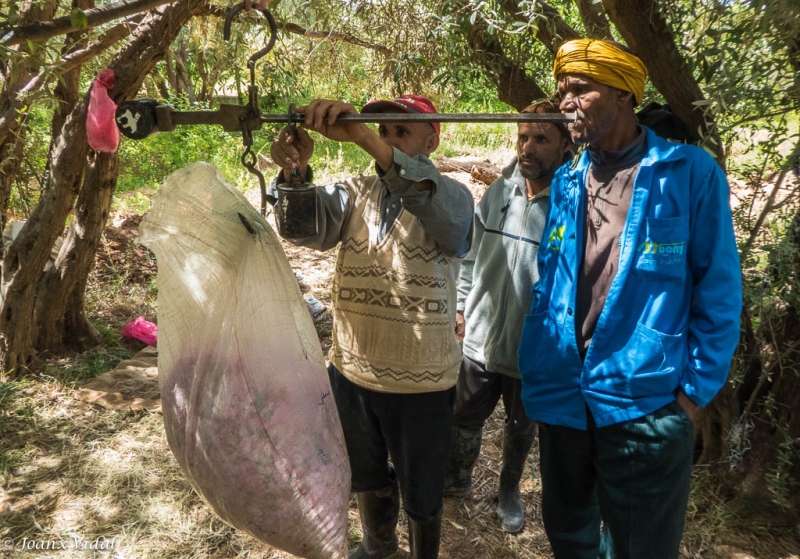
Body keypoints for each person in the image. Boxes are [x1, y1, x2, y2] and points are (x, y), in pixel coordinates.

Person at [517, 39, 742, 558]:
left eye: (580, 89)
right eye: (561, 91)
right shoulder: (570, 177)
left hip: (647, 402)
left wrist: (689, 396)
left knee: (640, 546)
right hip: (562, 399)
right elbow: (552, 276)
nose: (565, 102)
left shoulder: (687, 173)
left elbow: (719, 290)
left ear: (624, 94)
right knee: (569, 536)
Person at [268, 95, 474, 559]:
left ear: (432, 137)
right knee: (366, 473)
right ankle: (379, 549)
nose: (387, 137)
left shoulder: (453, 195)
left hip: (421, 383)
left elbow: (450, 226)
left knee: (422, 489)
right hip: (353, 374)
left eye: (400, 130)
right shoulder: (356, 192)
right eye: (382, 130)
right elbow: (302, 229)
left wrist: (361, 137)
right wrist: (295, 171)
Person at [443, 99, 572, 534]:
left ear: (565, 144)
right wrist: (461, 307)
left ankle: (508, 491)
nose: (528, 147)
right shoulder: (500, 191)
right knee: (464, 417)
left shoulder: (572, 203)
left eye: (540, 139)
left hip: (530, 346)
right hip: (481, 337)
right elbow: (472, 256)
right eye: (522, 137)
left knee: (521, 427)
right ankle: (457, 479)